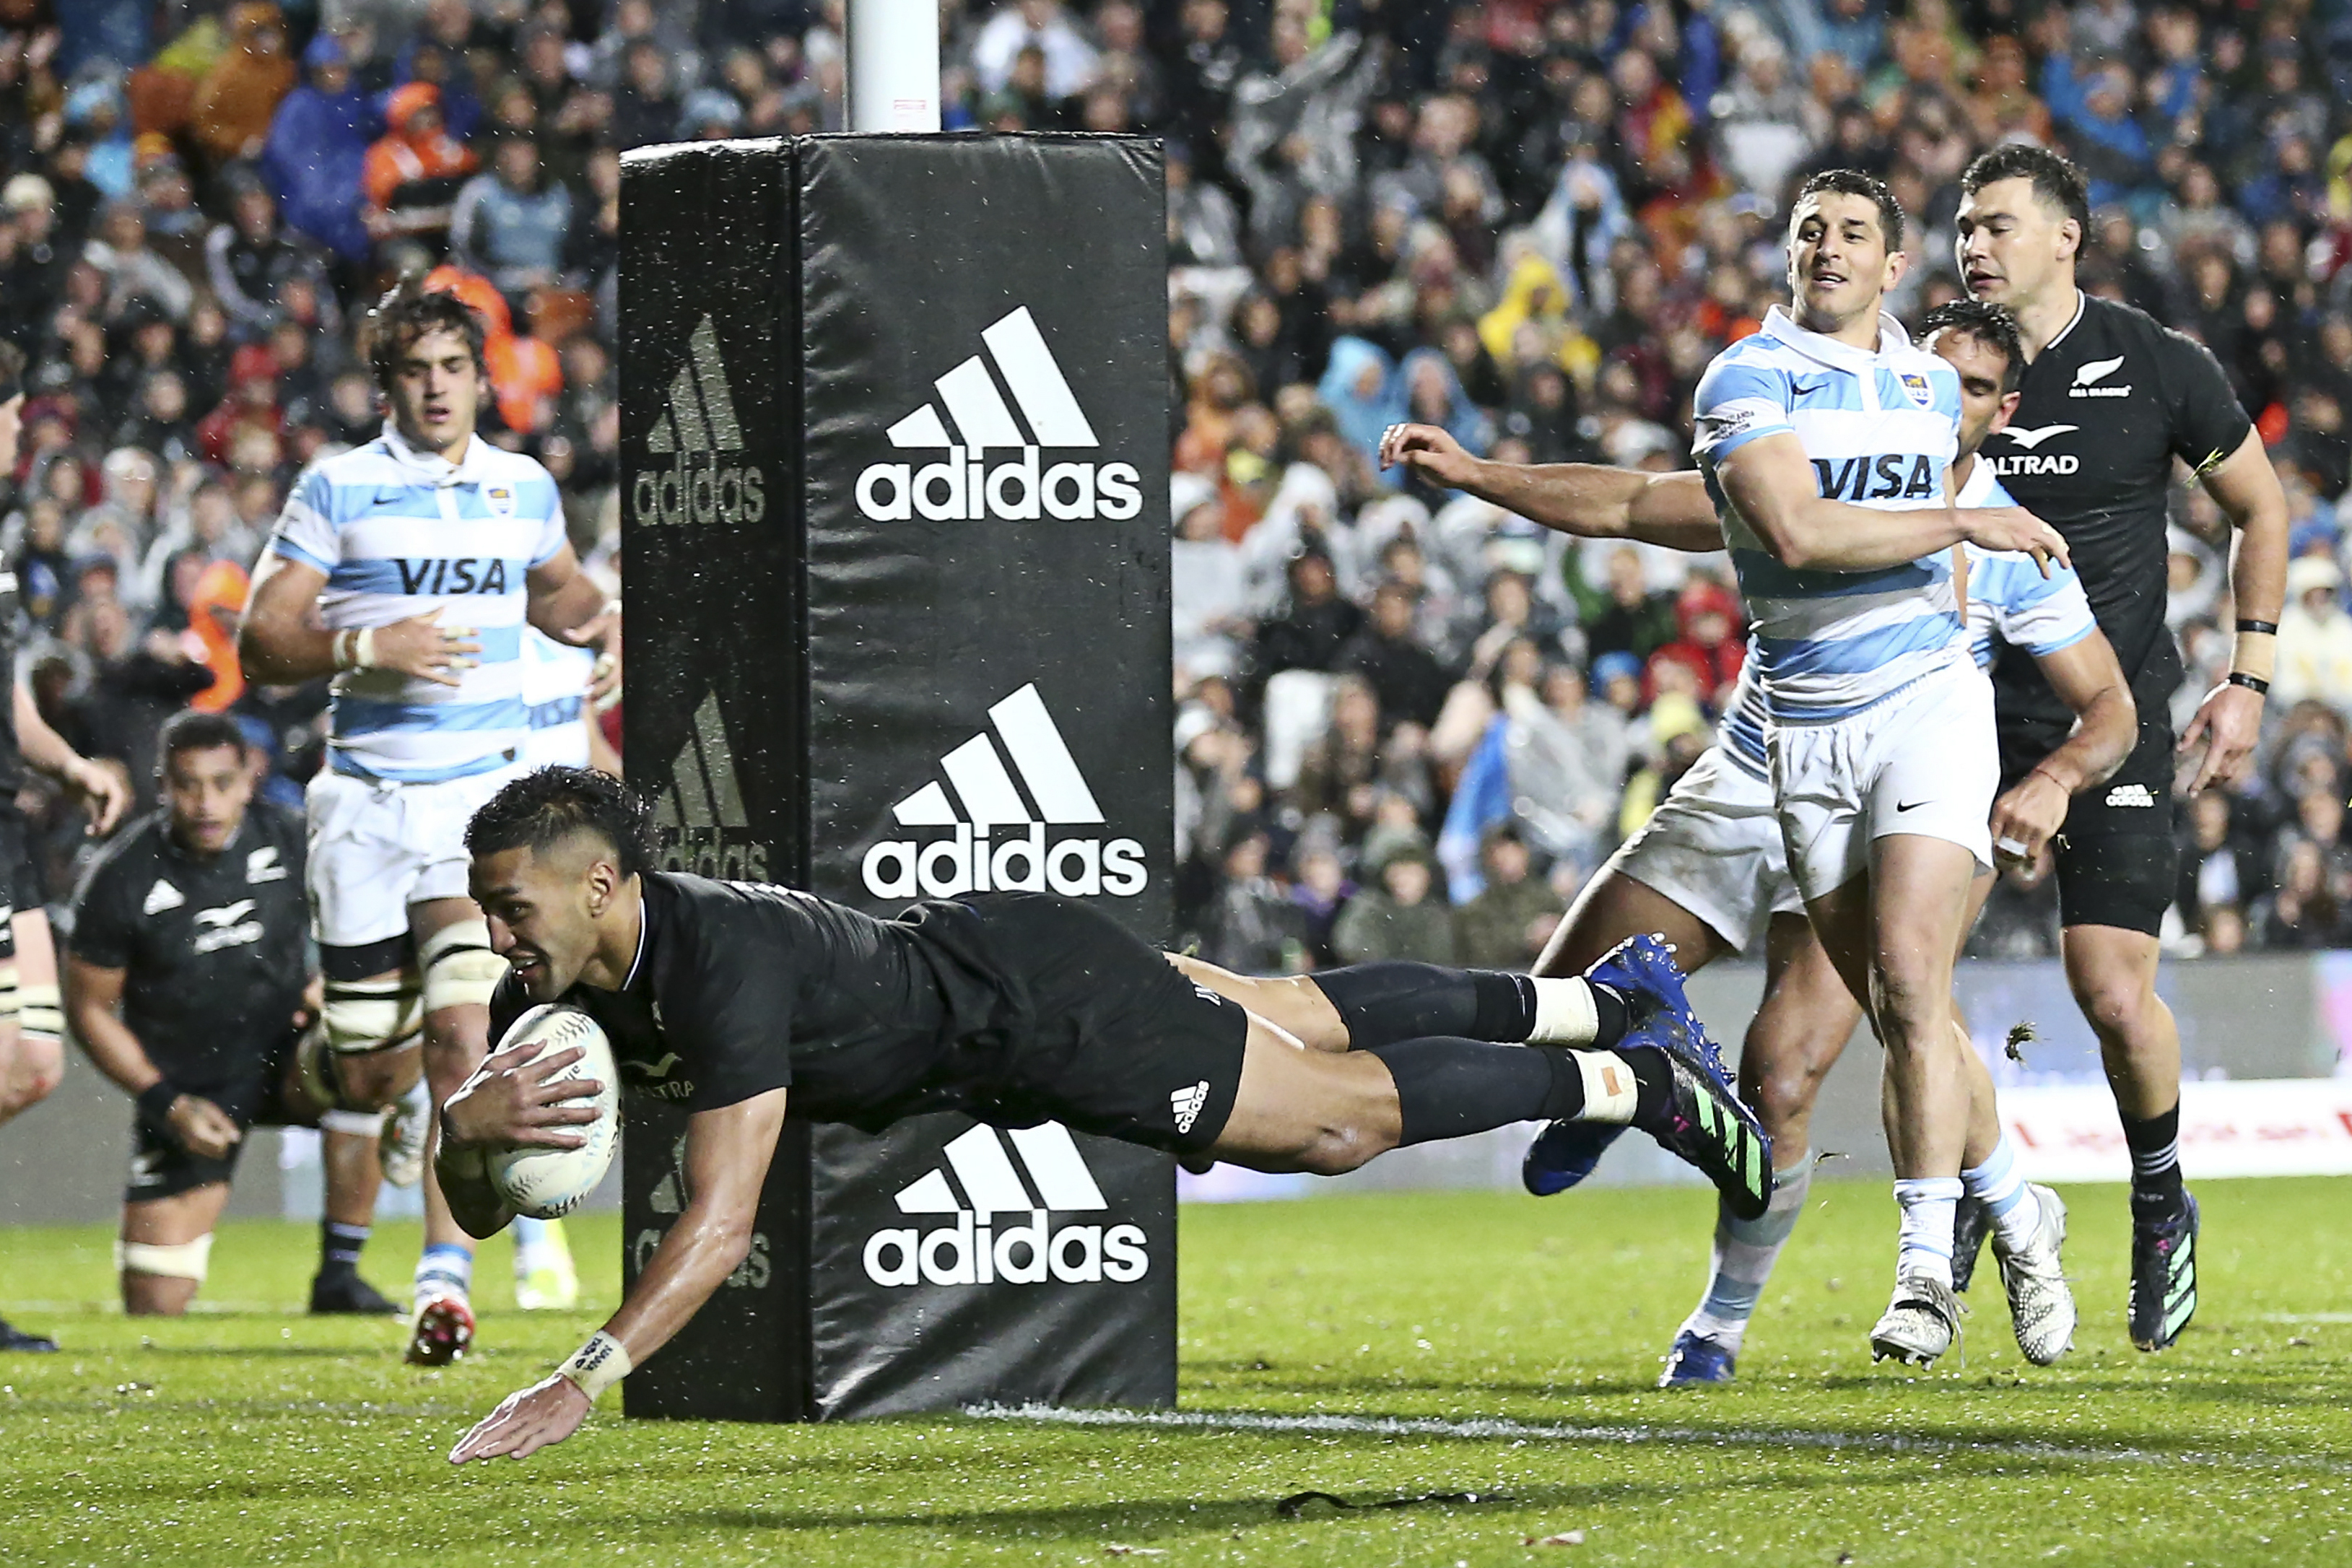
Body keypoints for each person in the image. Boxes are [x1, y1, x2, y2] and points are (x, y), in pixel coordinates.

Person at [441, 765, 1770, 1461]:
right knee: (1292, 1012)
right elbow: (488, 1210)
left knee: (1336, 1124)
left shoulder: (711, 963)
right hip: (992, 974)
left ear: (602, 885)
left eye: (512, 908)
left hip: (1037, 1012)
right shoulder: (539, 1003)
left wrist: (582, 1380)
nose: (496, 937)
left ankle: (1636, 1082)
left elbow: (722, 1223)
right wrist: (466, 1137)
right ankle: (1604, 1002)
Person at [1386, 298, 2133, 1379]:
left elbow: (2109, 706)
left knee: (1788, 1076)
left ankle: (1720, 1323)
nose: (1947, 401)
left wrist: (2055, 778)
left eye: (1974, 390)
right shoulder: (1803, 470)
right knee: (1557, 1007)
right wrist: (1476, 473)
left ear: (2001, 410)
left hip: (1887, 799)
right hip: (1751, 771)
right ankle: (1641, 1079)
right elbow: (1633, 501)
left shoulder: (2007, 535)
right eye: (1935, 375)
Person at [237, 279, 617, 1365]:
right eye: (415, 371)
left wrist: (611, 627)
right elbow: (261, 642)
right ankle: (389, 1088)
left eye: (454, 368)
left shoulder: (521, 486)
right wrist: (370, 645)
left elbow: (557, 593)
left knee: (464, 1035)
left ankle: (442, 1286)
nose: (437, 388)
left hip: (475, 806)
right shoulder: (338, 487)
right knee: (368, 1068)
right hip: (366, 805)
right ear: (387, 385)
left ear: (480, 379)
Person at [1956, 144, 2288, 1350]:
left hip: (2112, 717)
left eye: (1995, 224)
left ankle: (2157, 1198)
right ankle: (1974, 1187)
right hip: (1959, 715)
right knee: (1908, 982)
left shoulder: (2154, 363)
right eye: (1962, 227)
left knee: (2107, 991)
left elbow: (2260, 507)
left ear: (2065, 238)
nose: (1973, 245)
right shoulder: (1931, 367)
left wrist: (2246, 680)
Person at [64, 712, 396, 1316]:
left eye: (221, 783)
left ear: (249, 779)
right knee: (155, 1304)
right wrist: (165, 1102)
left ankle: (340, 1275)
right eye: (188, 785)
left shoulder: (293, 838)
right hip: (192, 1088)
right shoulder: (122, 876)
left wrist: (329, 982)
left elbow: (364, 920)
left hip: (287, 1056)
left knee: (369, 1059)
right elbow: (88, 1009)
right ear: (163, 787)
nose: (206, 804)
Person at [0, 342, 136, 1354]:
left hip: (8, 831)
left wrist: (73, 766)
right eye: (8, 411)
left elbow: (10, 705)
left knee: (32, 1065)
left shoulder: (6, 548)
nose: (18, 429)